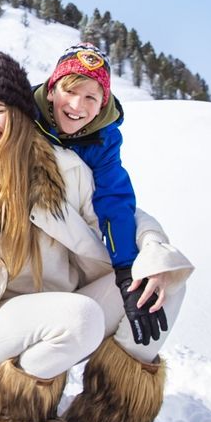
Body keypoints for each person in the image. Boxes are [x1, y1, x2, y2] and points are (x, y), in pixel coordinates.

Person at [0, 52, 193, 422]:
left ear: (21, 115)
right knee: (81, 317)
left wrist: (151, 256)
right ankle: (10, 403)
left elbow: (123, 212)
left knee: (162, 281)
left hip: (58, 309)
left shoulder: (66, 169)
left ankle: (113, 420)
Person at [34, 43, 140, 271]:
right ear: (51, 91)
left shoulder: (104, 139)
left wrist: (125, 268)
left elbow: (114, 199)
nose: (76, 105)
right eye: (70, 91)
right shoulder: (23, 113)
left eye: (90, 97)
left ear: (102, 105)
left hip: (67, 244)